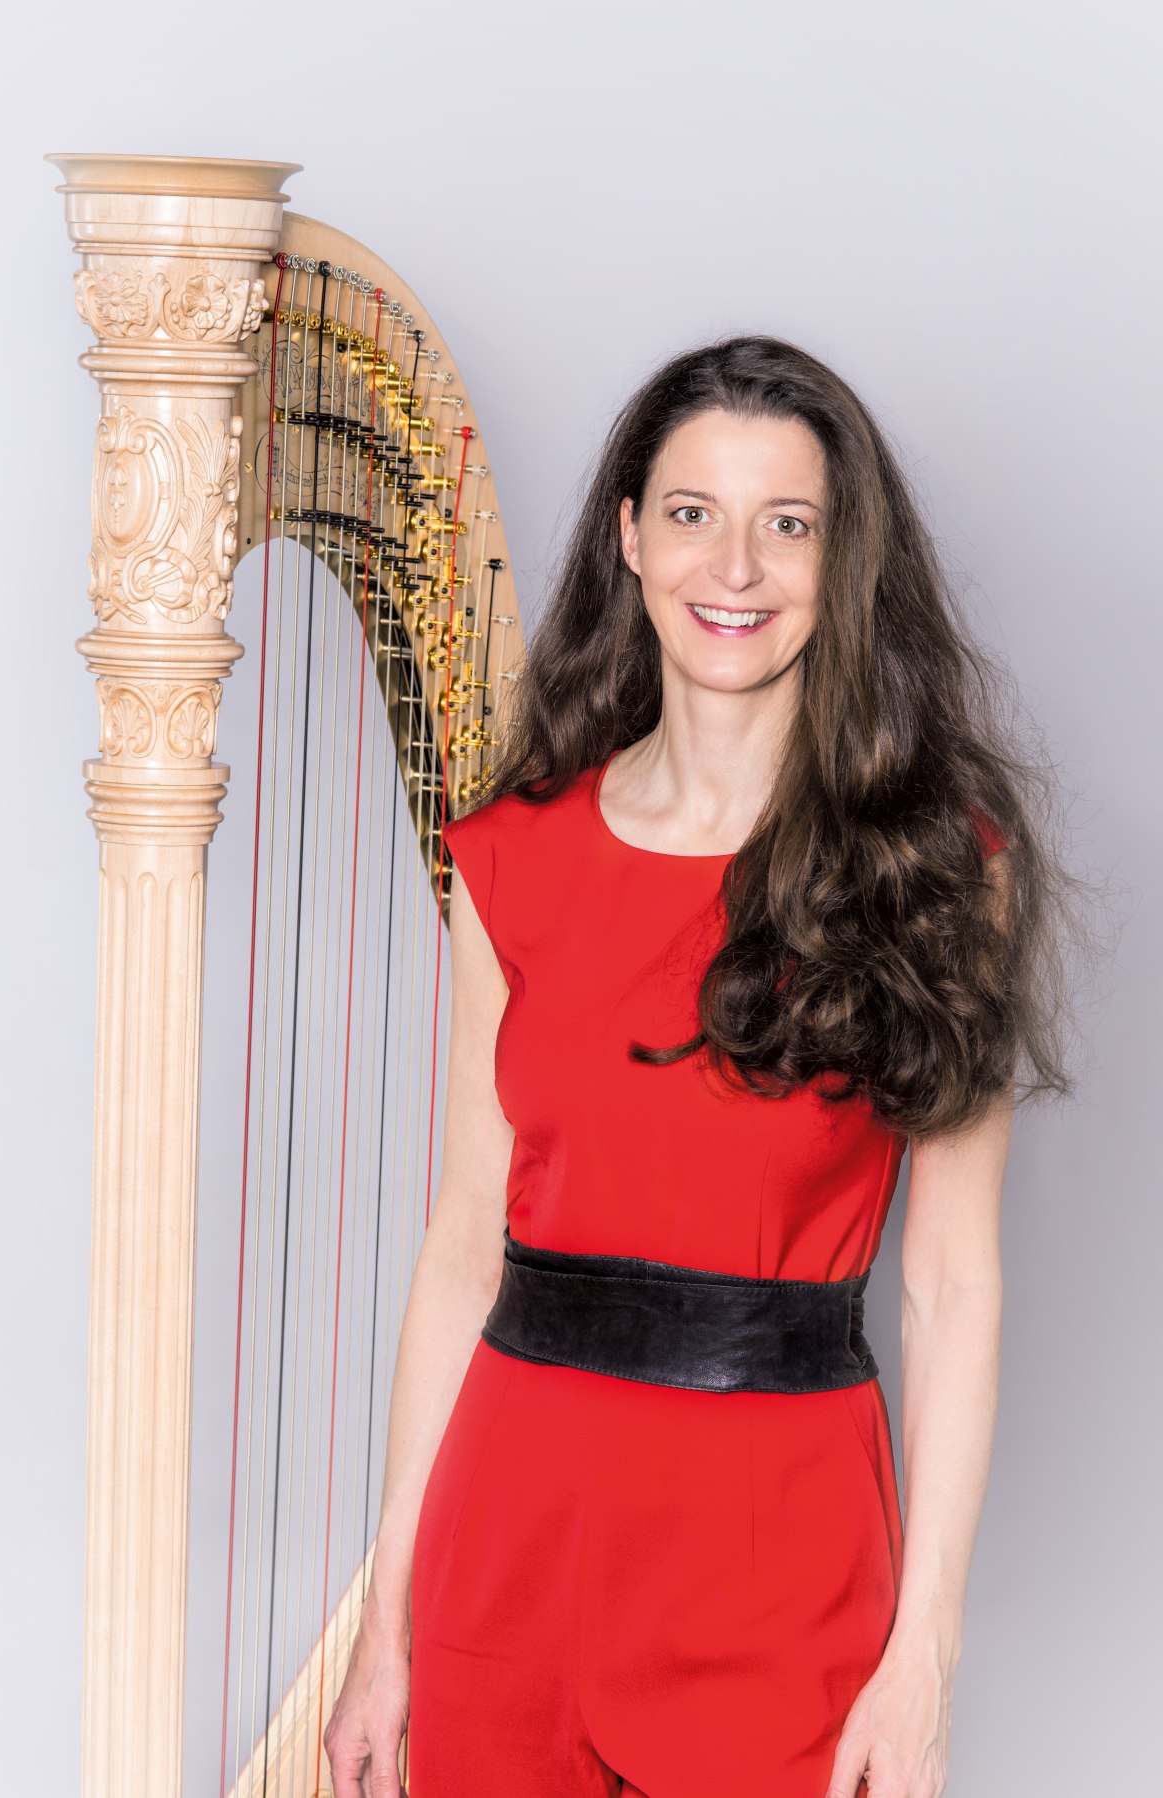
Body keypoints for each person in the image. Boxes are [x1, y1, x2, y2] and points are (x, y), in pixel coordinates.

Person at [323, 336, 1078, 1798]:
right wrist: (385, 1625)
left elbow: (951, 1281)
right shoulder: (512, 858)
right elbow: (464, 1245)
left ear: (842, 560)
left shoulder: (937, 873)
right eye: (691, 512)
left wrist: (923, 1654)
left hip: (780, 1555)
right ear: (629, 535)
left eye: (787, 523)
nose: (734, 566)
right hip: (509, 1549)